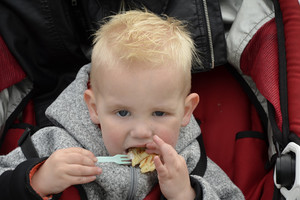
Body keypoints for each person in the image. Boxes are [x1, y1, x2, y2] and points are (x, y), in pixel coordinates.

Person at [0, 10, 244, 199]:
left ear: (185, 111)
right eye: (123, 112)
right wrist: (37, 180)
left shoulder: (189, 161)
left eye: (159, 113)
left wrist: (187, 194)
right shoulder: (55, 145)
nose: (141, 131)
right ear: (94, 108)